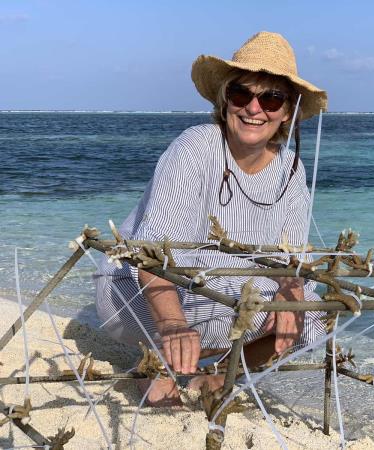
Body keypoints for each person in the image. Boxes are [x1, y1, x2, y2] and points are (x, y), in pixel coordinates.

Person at [94, 31, 328, 406]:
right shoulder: (196, 146)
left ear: (287, 111)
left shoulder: (291, 168)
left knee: (308, 319)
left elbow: (292, 260)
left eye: (271, 98)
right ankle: (161, 360)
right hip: (146, 287)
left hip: (228, 291)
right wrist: (172, 325)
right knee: (185, 326)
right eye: (242, 94)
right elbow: (153, 255)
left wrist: (290, 294)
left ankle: (214, 374)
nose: (254, 109)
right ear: (225, 100)